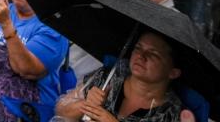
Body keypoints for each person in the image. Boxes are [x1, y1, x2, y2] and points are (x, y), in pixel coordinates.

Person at [54, 31, 187, 122]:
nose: (141, 56)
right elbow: (60, 110)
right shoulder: (109, 77)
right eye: (138, 48)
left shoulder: (172, 114)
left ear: (173, 72)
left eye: (153, 54)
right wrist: (86, 105)